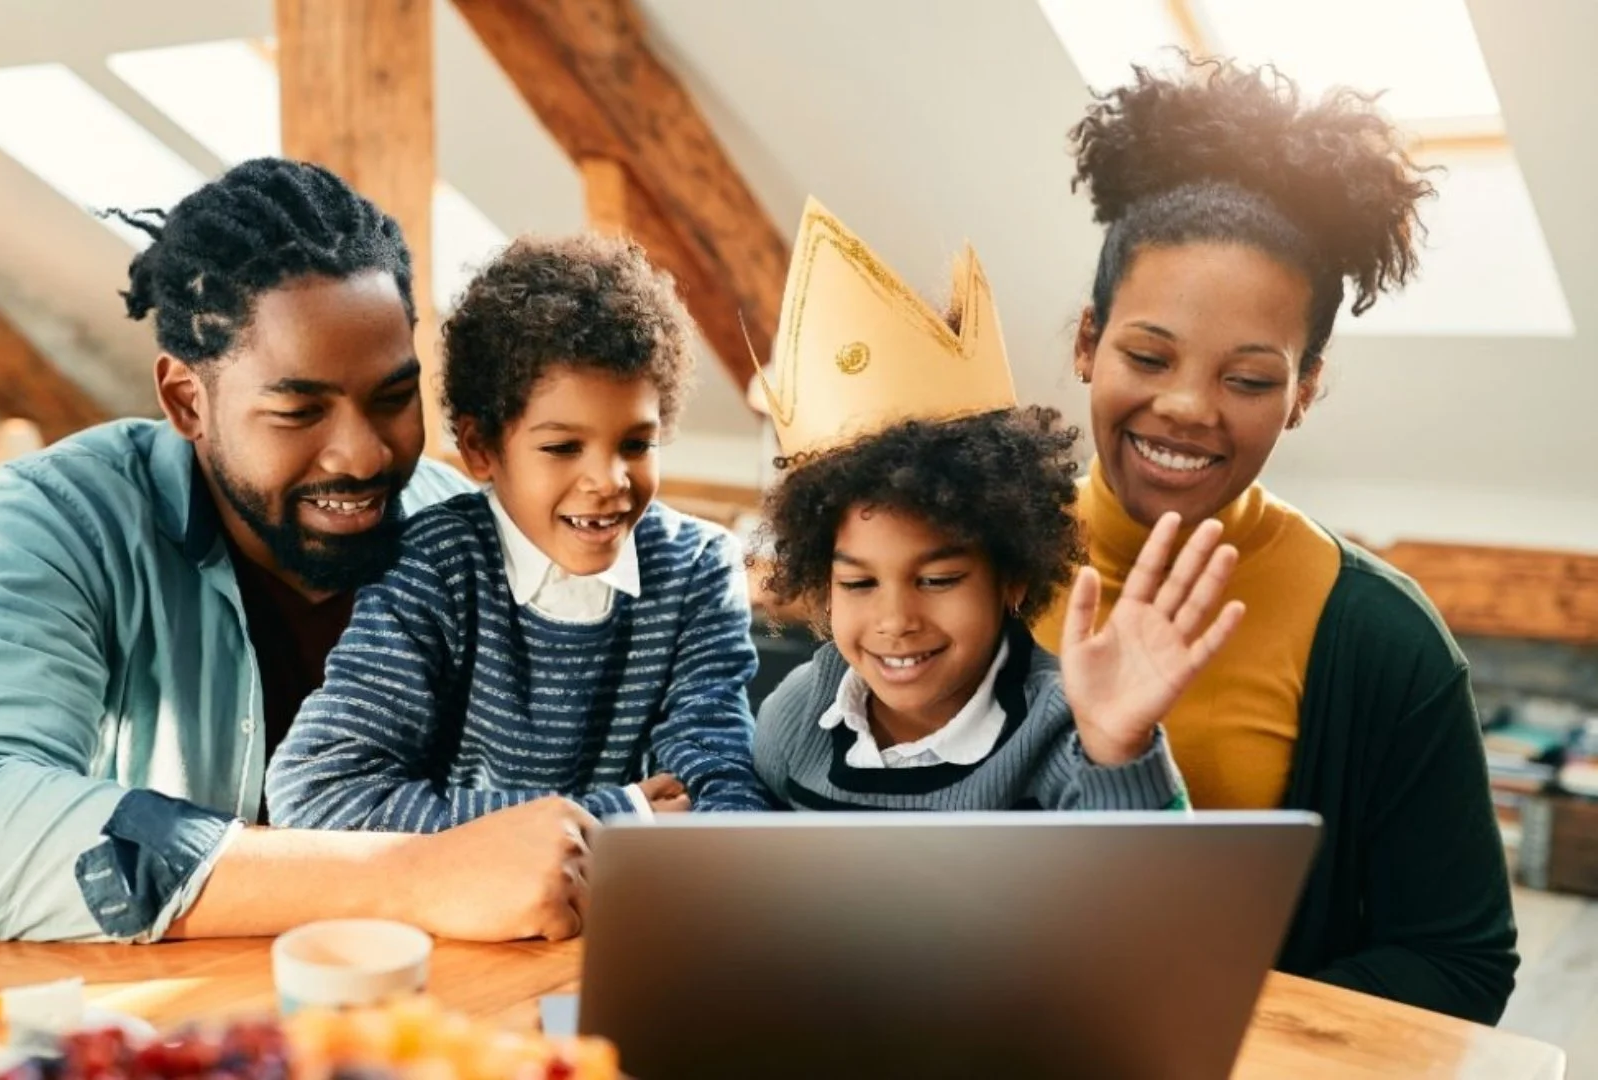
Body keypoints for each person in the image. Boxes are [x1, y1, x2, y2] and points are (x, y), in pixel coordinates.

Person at [0, 159, 596, 945]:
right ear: (187, 400)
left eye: (392, 398)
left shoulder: (467, 529)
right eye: (298, 410)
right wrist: (409, 876)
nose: (361, 455)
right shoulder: (60, 518)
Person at [1030, 58, 1517, 1022]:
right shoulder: (956, 561)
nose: (1185, 408)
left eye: (1249, 380)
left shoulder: (1381, 640)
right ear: (1087, 341)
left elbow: (1457, 963)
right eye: (1146, 355)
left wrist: (1210, 1028)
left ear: (1305, 391)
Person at [266, 234, 769, 831]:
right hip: (473, 915)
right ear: (481, 450)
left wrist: (733, 852)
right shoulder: (430, 566)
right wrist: (611, 812)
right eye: (562, 447)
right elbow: (319, 794)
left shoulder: (698, 566)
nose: (609, 481)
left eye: (636, 444)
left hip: (633, 904)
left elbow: (720, 767)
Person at [753, 414, 1237, 812]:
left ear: (1012, 580)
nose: (896, 620)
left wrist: (1117, 752)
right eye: (858, 584)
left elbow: (1149, 899)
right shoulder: (800, 709)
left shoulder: (1062, 727)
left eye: (938, 580)